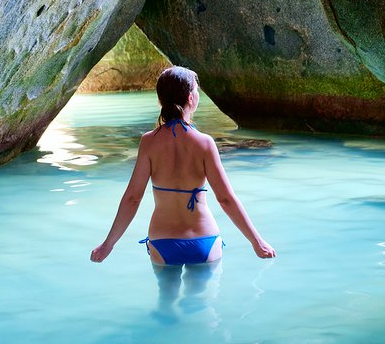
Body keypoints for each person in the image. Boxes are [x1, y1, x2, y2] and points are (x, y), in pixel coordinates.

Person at [90, 66, 275, 266]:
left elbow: (133, 198)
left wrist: (108, 244)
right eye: (196, 90)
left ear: (161, 100)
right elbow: (225, 199)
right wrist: (257, 242)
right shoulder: (204, 143)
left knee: (166, 297)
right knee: (202, 297)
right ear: (190, 98)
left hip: (162, 242)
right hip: (203, 239)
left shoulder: (148, 142)